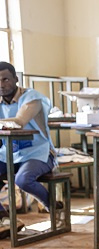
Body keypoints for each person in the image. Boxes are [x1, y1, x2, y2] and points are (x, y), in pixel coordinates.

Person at [0, 61, 57, 239]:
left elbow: (18, 122)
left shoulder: (32, 97)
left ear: (16, 79)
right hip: (9, 154)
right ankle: (5, 219)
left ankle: (52, 204)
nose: (1, 84)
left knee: (23, 179)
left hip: (38, 152)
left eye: (6, 79)